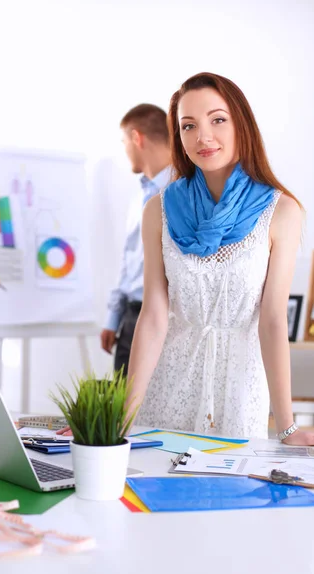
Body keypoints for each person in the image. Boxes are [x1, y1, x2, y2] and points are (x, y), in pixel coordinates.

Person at [126, 72, 314, 445]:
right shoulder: (158, 210)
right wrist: (121, 417)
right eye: (188, 126)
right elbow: (153, 315)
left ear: (241, 124)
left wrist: (287, 425)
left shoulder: (281, 211)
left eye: (218, 120)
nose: (203, 137)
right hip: (168, 386)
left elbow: (273, 320)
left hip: (240, 390)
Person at [101, 104, 173, 376]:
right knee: (122, 412)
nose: (125, 149)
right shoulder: (139, 198)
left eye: (124, 141)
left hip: (165, 320)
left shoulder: (185, 193)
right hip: (130, 320)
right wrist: (114, 317)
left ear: (136, 138)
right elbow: (129, 260)